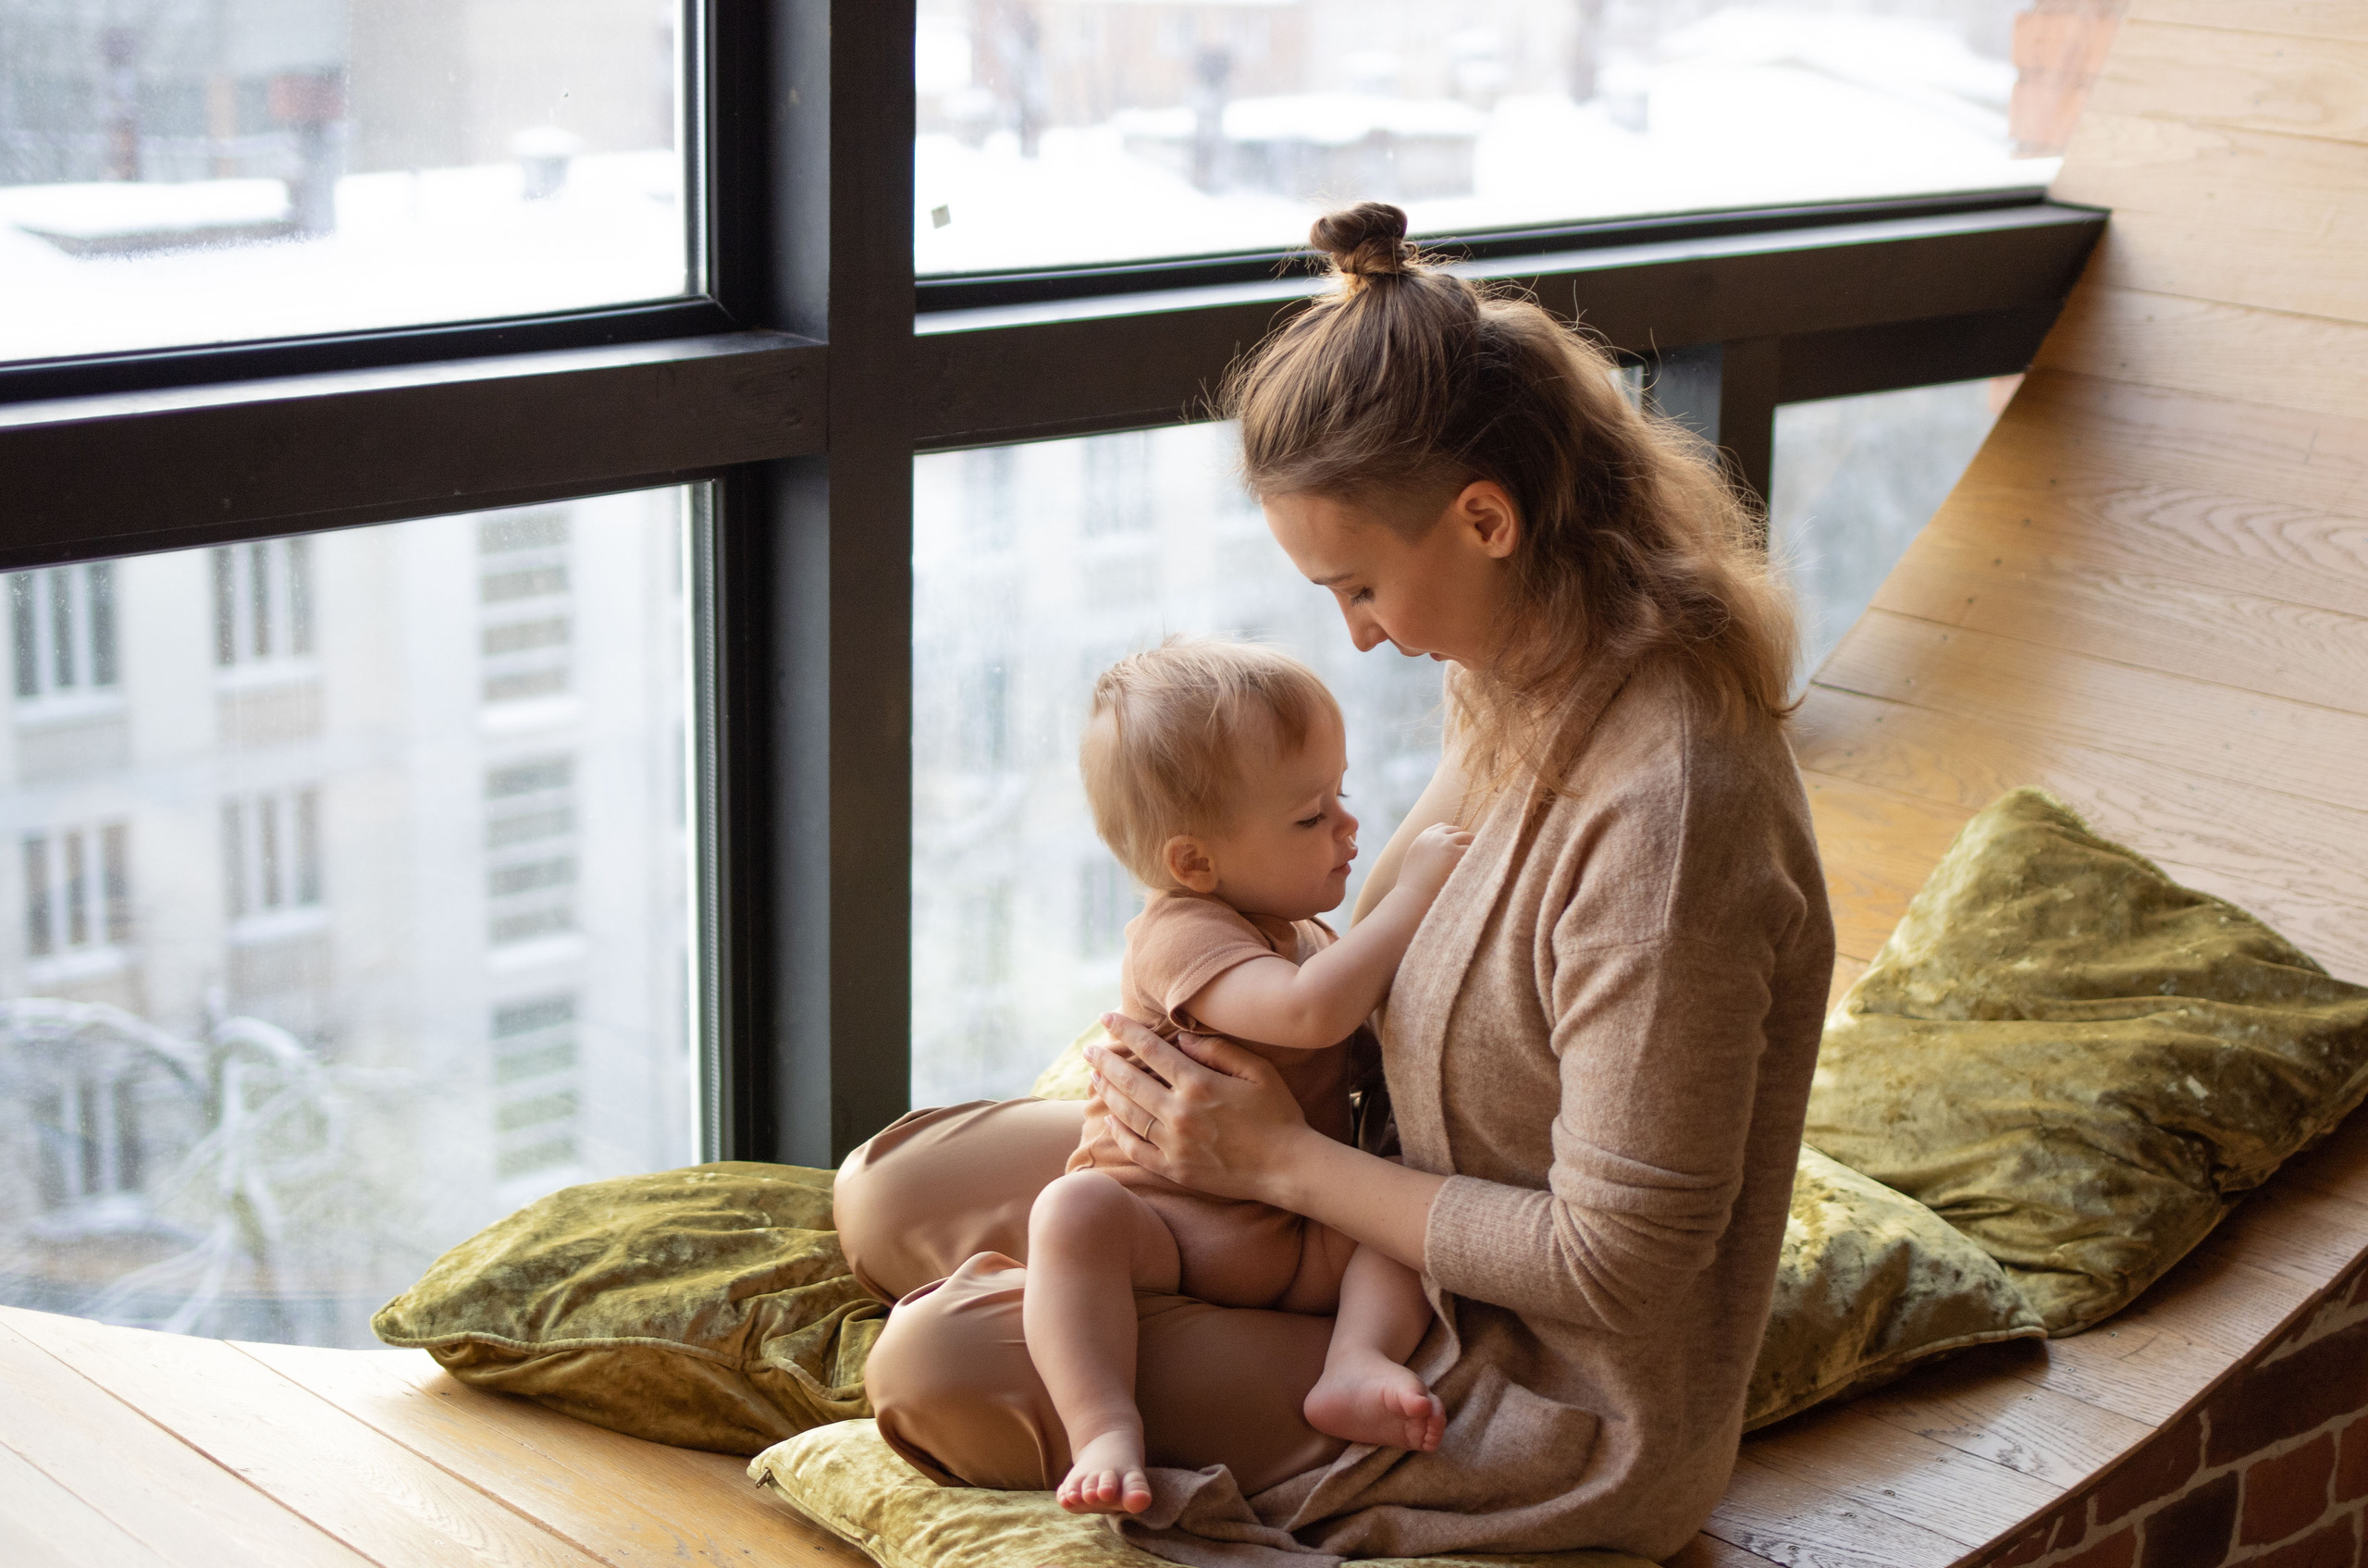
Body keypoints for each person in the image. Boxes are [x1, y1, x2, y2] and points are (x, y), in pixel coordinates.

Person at [834, 200, 1834, 1563]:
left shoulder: (1667, 822)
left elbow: (1617, 1266)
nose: (1358, 638)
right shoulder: (1525, 666)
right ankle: (1148, 1296)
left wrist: (1275, 1162)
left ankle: (1166, 1336)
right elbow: (1370, 943)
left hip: (1517, 1363)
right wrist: (1201, 1062)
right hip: (1364, 1165)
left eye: (1358, 587)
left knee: (937, 1363)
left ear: (1484, 518)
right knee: (889, 1191)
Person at [1041, 638, 1468, 1515]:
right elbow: (1310, 1013)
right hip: (1169, 1232)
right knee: (1070, 1212)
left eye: (1340, 793)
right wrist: (1414, 894)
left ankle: (1354, 1361)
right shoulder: (1181, 932)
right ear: (1194, 862)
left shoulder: (1302, 931)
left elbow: (1354, 1047)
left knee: (1408, 1205)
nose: (1348, 825)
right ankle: (1104, 1426)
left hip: (1302, 1236)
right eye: (1311, 817)